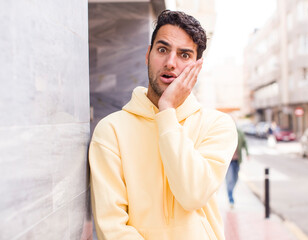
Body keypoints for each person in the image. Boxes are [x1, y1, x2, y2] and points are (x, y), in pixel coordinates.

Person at [89, 10, 238, 240]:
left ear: (197, 66)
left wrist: (166, 111)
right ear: (148, 54)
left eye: (184, 55)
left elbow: (193, 194)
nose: (170, 63)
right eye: (162, 50)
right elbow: (112, 227)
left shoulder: (217, 125)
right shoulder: (111, 131)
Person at [225, 125, 249, 208]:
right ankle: (231, 198)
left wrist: (247, 153)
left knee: (235, 179)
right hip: (229, 162)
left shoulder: (240, 133)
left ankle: (231, 191)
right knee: (230, 180)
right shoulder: (225, 133)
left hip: (237, 161)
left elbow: (245, 143)